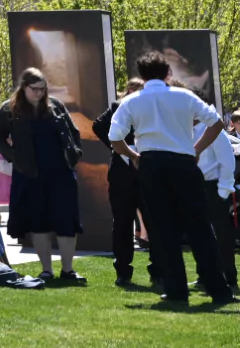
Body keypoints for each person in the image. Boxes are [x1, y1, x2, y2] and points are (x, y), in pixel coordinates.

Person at [107, 51, 233, 306]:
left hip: (151, 164)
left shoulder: (131, 101)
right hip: (183, 162)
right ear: (168, 73)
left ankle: (176, 290)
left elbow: (114, 137)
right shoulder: (183, 95)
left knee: (163, 229)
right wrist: (196, 149)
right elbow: (216, 122)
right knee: (200, 227)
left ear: (141, 76)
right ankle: (219, 289)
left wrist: (133, 155)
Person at [0, 66, 85, 284]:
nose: (40, 93)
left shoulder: (55, 105)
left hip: (61, 171)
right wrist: (13, 156)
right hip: (30, 173)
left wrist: (74, 153)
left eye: (43, 89)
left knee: (66, 221)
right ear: (24, 87)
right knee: (38, 222)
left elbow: (73, 132)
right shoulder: (9, 109)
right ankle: (46, 270)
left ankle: (68, 270)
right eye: (35, 89)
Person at [93, 80, 143, 287]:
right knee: (122, 222)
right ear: (130, 90)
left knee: (153, 219)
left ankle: (158, 270)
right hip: (121, 172)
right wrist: (118, 147)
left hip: (145, 169)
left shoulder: (148, 108)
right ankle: (123, 271)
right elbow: (97, 126)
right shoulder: (116, 107)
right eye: (138, 91)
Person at [200, 113, 237, 295]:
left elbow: (227, 161)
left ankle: (229, 276)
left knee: (222, 235)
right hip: (194, 186)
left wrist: (224, 190)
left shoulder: (214, 132)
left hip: (214, 187)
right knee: (201, 235)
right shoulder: (182, 130)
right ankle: (205, 275)